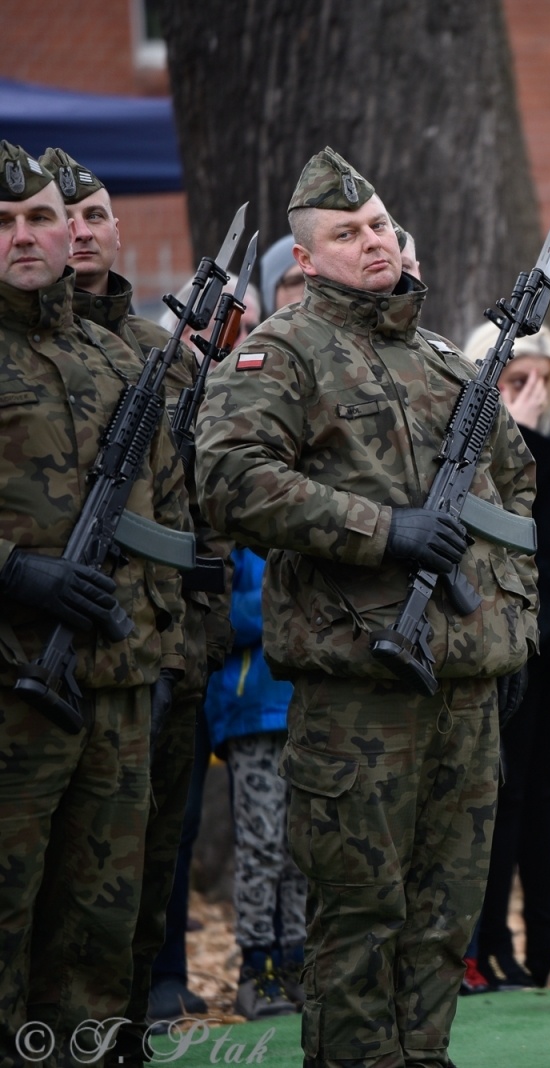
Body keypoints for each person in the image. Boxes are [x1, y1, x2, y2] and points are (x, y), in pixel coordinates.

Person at [194, 147, 539, 1068]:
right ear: (307, 258)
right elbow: (230, 479)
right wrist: (381, 530)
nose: (373, 242)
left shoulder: (440, 359)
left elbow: (515, 492)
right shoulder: (281, 352)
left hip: (464, 684)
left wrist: (508, 632)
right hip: (359, 692)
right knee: (360, 919)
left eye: (380, 226)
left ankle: (422, 1057)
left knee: (442, 919)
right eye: (347, 234)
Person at [39, 145, 238, 1042]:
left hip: (161, 648)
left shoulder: (168, 357)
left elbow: (202, 502)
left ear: (119, 231)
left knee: (151, 851)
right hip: (41, 649)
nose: (78, 233)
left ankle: (143, 998)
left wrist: (200, 619)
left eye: (93, 216)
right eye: (61, 216)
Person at [0, 140, 189, 1064]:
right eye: (5, 223)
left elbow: (163, 515)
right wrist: (12, 571)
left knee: (98, 930)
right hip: (9, 683)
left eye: (40, 216)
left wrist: (157, 647)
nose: (30, 236)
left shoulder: (109, 356)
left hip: (114, 684)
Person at [460, 321, 550, 990]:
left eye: (543, 379)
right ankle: (488, 945)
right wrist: (512, 439)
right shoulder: (474, 450)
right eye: (516, 380)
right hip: (505, 645)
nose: (533, 392)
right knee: (505, 797)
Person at [203, 547, 307, 1020]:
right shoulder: (239, 543)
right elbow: (220, 615)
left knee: (302, 849)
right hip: (251, 713)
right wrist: (286, 599)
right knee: (262, 843)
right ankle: (256, 967)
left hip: (307, 712)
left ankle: (296, 962)